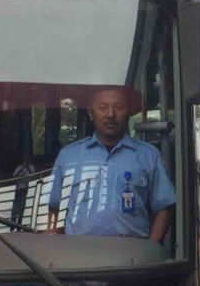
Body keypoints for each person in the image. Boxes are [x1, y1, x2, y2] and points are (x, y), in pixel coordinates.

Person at [47, 86, 175, 243]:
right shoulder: (68, 156)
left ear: (128, 112)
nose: (110, 114)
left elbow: (165, 207)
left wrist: (151, 248)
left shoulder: (148, 155)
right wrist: (55, 248)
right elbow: (53, 207)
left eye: (118, 107)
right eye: (102, 108)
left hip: (132, 255)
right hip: (78, 254)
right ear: (90, 113)